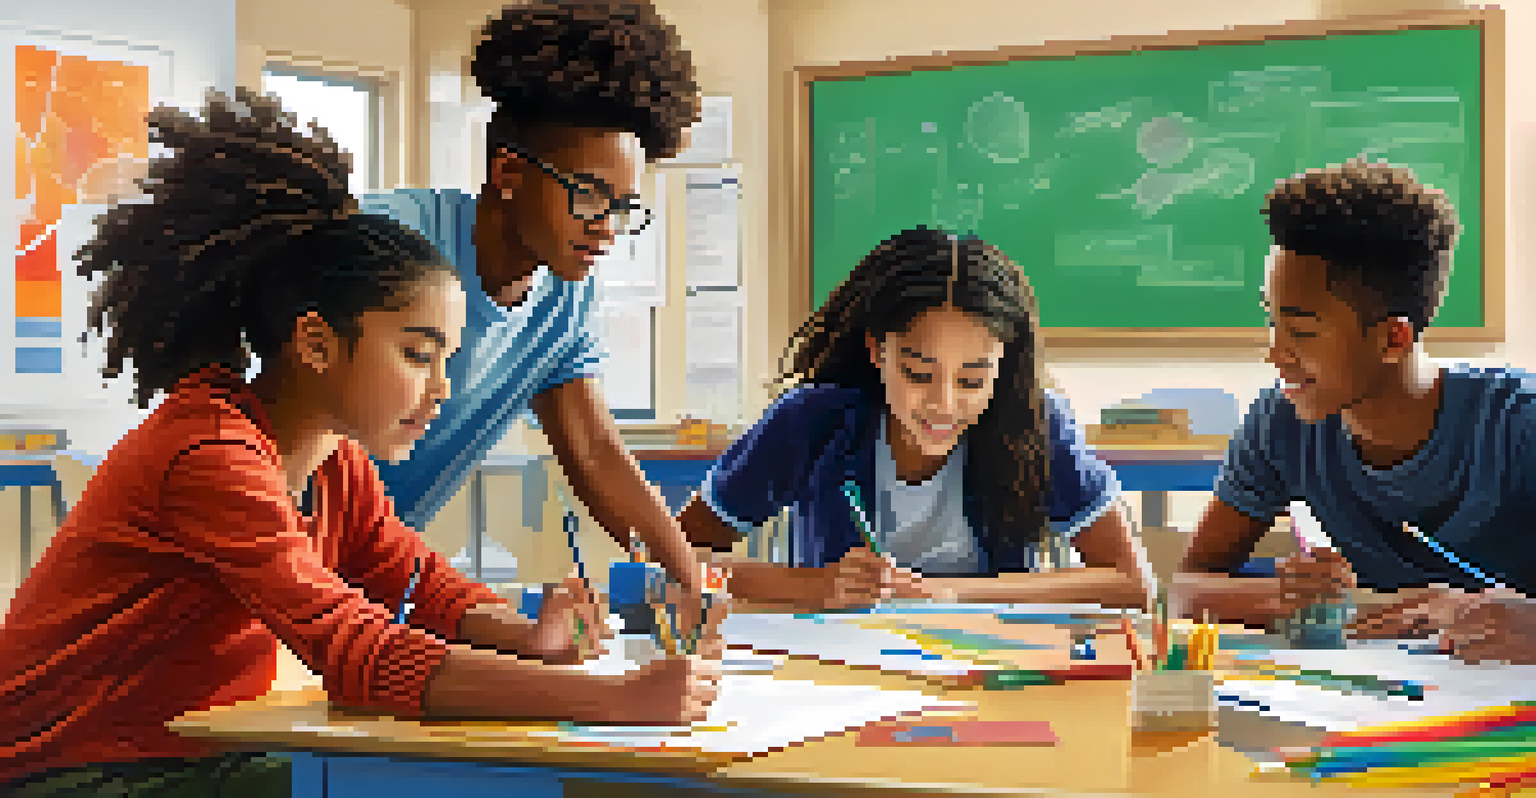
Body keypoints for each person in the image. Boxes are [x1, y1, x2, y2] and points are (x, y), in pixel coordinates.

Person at [0, 88, 722, 797]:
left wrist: (525, 634)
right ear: (315, 341)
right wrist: (613, 700)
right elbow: (358, 654)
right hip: (76, 769)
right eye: (417, 355)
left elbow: (419, 586)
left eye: (447, 358)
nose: (442, 388)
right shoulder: (212, 454)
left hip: (189, 750)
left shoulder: (335, 463)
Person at [360, 0, 713, 618]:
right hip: (268, 548)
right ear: (509, 173)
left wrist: (686, 577)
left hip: (363, 564)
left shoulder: (565, 294)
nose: (606, 226)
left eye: (623, 207)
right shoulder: (391, 239)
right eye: (588, 195)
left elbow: (595, 452)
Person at [1172, 158, 1536, 664]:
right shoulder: (1280, 422)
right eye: (1271, 323)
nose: (1275, 354)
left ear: (1393, 339)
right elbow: (1185, 590)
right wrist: (1291, 600)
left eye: (1301, 333)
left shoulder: (1519, 425)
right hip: (1370, 704)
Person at [677, 227, 1152, 612]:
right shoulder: (810, 421)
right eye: (919, 373)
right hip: (839, 677)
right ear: (876, 350)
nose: (943, 405)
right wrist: (812, 586)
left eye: (971, 381)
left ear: (1003, 368)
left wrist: (949, 593)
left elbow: (1132, 583)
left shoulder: (1035, 423)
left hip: (992, 675)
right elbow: (674, 559)